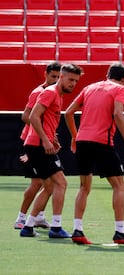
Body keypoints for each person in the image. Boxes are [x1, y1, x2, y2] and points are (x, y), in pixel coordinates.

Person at [65, 63, 124, 246]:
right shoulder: (120, 89)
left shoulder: (89, 87)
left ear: (107, 74)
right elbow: (118, 114)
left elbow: (68, 112)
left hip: (83, 141)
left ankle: (77, 230)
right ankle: (120, 232)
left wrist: (75, 136)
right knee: (119, 186)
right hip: (102, 141)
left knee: (84, 186)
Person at [20, 63, 83, 238]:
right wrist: (46, 140)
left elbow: (44, 119)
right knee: (61, 183)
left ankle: (28, 226)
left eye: (75, 81)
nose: (73, 84)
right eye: (70, 79)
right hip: (38, 145)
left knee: (48, 187)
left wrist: (51, 138)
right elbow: (32, 116)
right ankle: (56, 227)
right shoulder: (50, 92)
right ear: (61, 77)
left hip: (39, 144)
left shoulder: (58, 95)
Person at [14, 62, 61, 230]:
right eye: (52, 76)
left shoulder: (54, 93)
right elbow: (26, 116)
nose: (55, 80)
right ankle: (21, 218)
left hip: (42, 141)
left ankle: (39, 217)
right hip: (32, 141)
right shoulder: (39, 93)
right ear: (45, 75)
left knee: (47, 183)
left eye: (58, 77)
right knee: (38, 182)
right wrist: (42, 133)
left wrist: (50, 135)